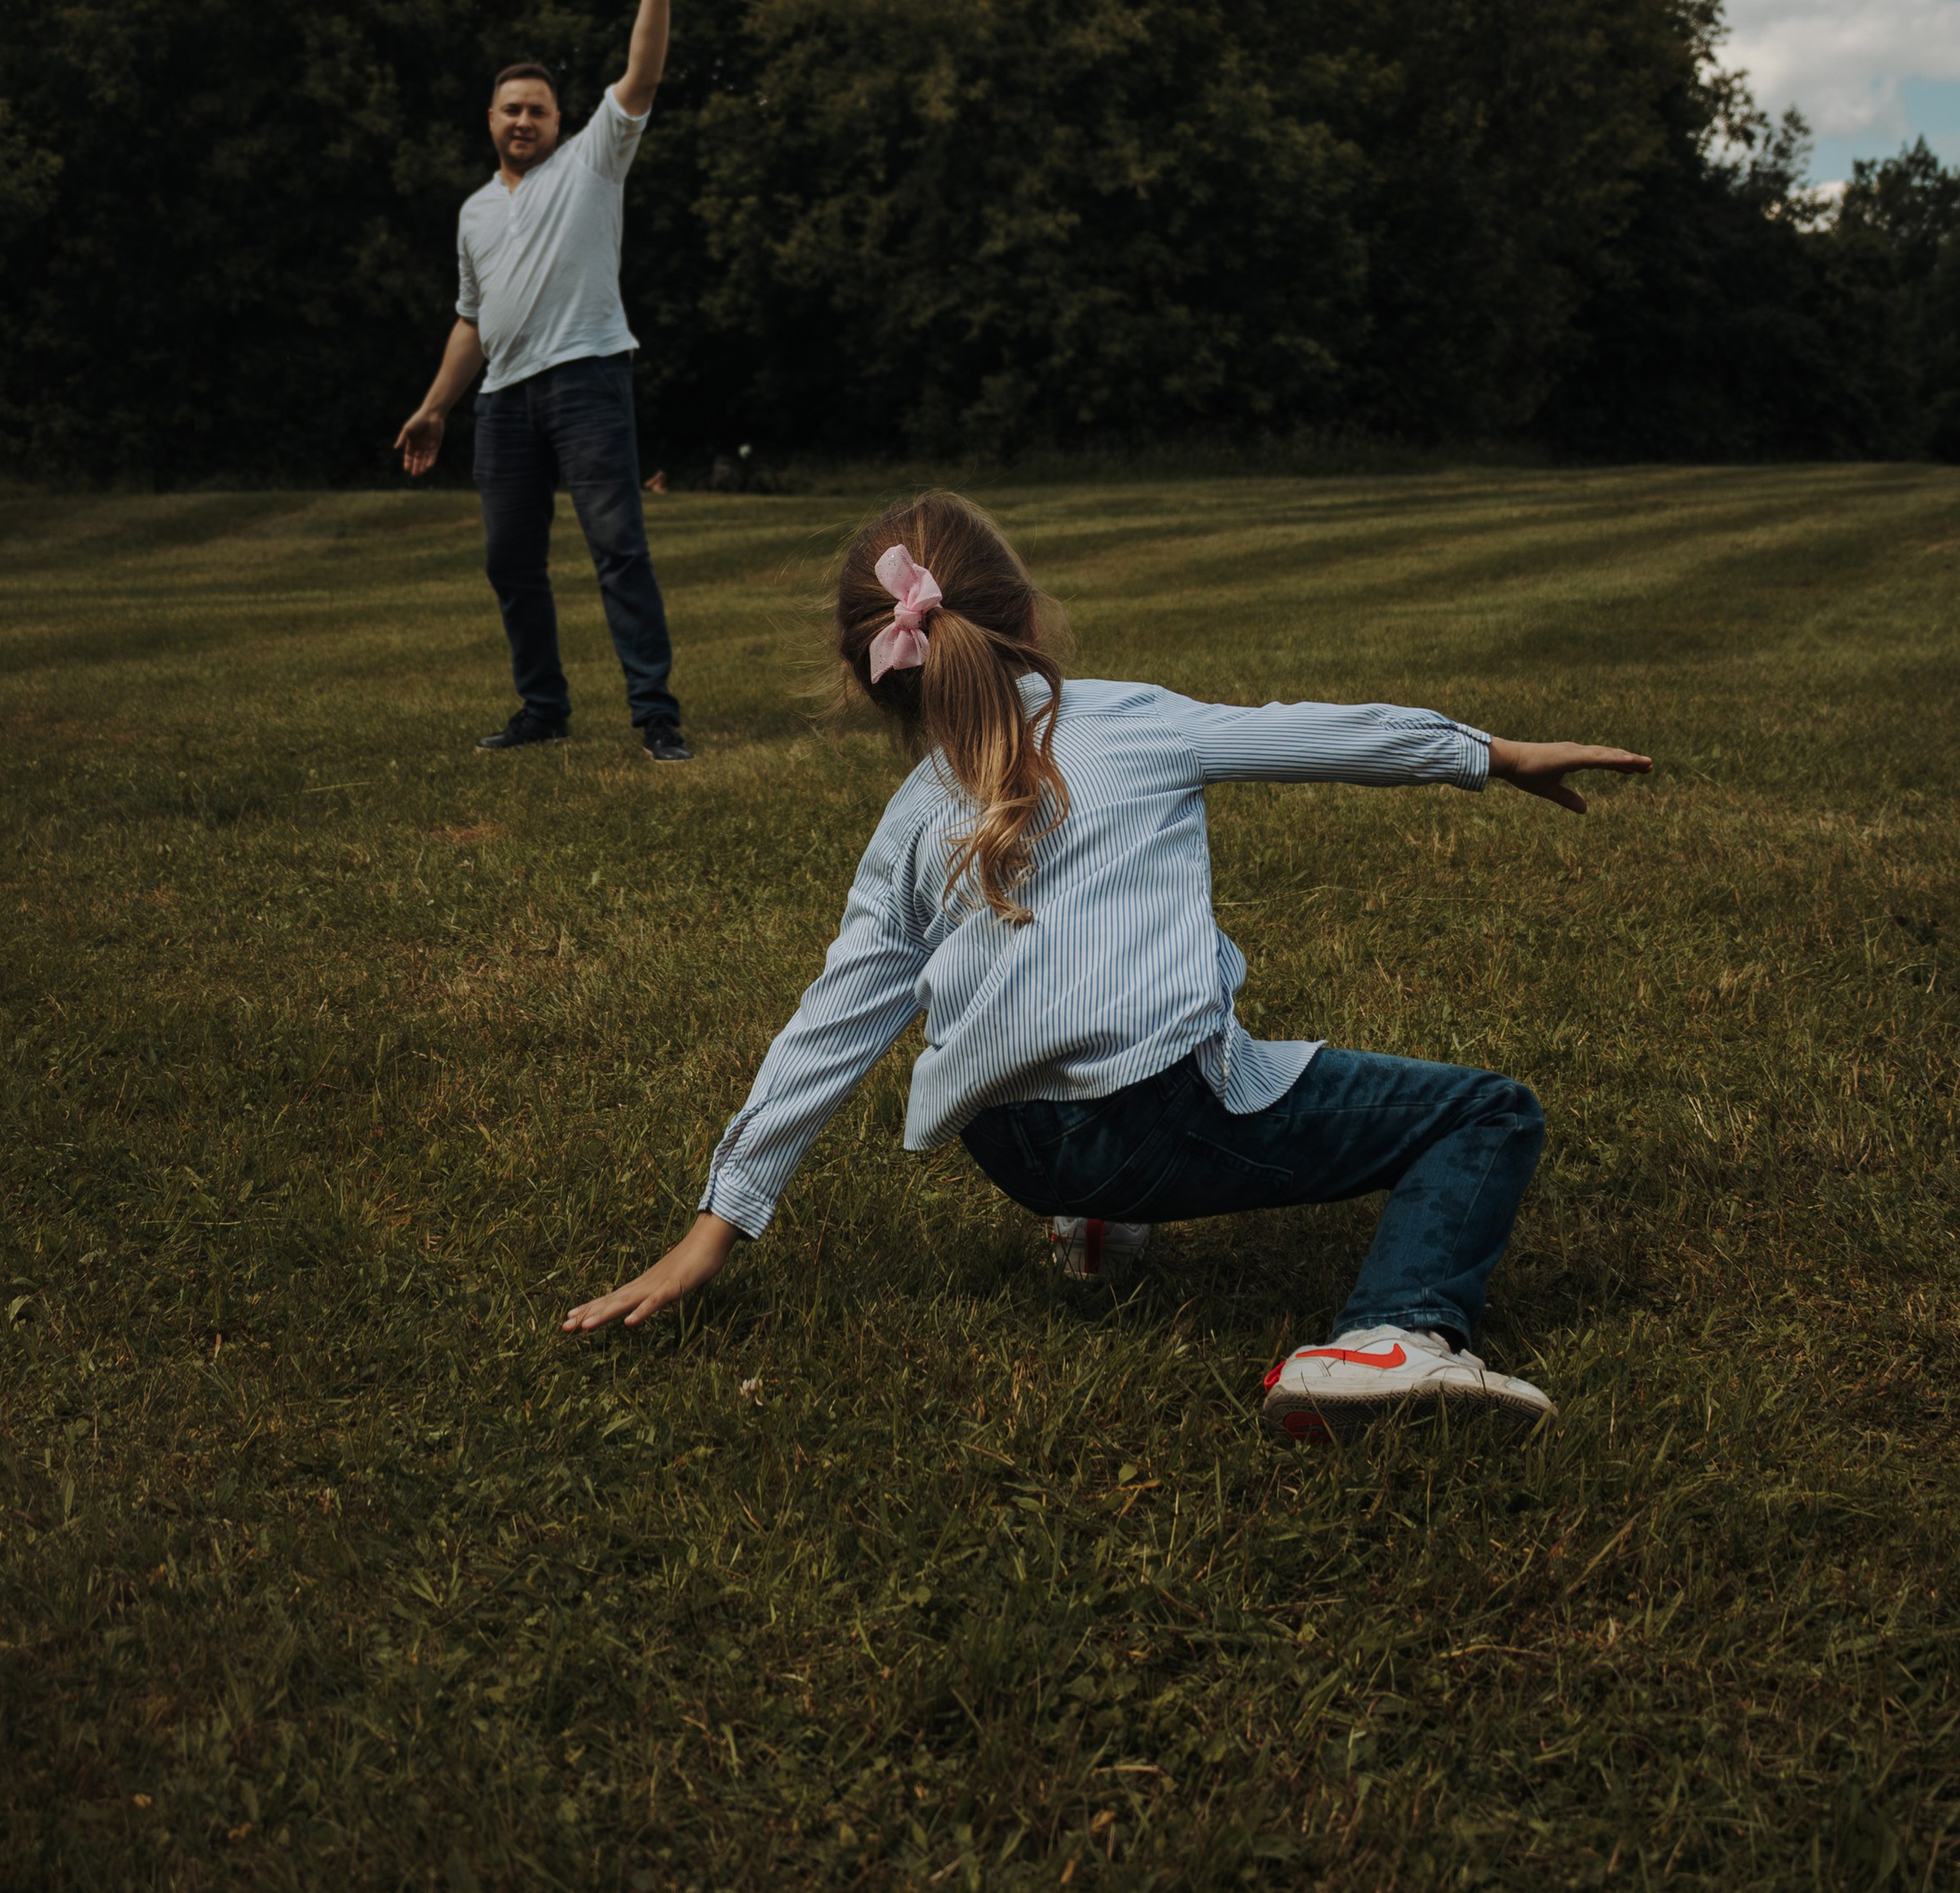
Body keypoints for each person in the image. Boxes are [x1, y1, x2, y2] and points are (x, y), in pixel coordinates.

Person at [565, 492, 1650, 1438]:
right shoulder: (1132, 719)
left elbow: (832, 1022)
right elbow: (1316, 733)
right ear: (1031, 619)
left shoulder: (904, 826)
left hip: (1015, 1151)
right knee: (1485, 1115)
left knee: (1121, 1037)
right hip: (1156, 1112)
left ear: (881, 681)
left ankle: (1090, 1223)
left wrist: (713, 1228)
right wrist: (1488, 754)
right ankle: (1387, 1338)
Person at [395, 0, 691, 761]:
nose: (524, 121)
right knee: (510, 562)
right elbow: (472, 321)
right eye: (511, 109)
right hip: (501, 403)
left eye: (538, 110)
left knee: (617, 548)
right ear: (489, 117)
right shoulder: (475, 211)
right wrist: (433, 408)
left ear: (560, 120)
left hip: (587, 378)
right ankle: (543, 708)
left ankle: (655, 713)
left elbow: (642, 72)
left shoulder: (593, 161)